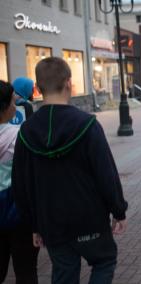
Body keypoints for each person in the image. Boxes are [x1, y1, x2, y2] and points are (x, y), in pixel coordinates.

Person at [12, 57, 128, 284]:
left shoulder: (26, 131)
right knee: (104, 261)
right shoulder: (86, 124)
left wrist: (33, 225)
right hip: (89, 217)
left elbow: (21, 184)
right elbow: (106, 173)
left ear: (37, 87)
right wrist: (118, 209)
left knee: (64, 271)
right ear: (68, 83)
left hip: (51, 220)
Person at [0, 80, 39, 284]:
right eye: (13, 102)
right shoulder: (20, 136)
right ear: (6, 107)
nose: (16, 106)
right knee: (26, 272)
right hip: (19, 213)